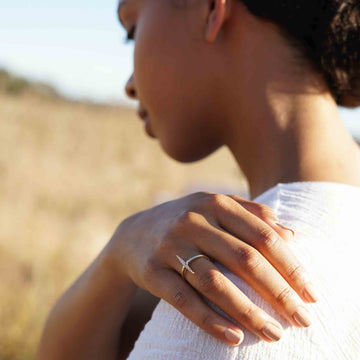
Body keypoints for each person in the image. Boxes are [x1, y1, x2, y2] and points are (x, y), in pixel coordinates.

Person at [37, 0, 360, 359]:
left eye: (131, 31)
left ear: (211, 9)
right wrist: (118, 256)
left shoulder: (226, 310)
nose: (129, 85)